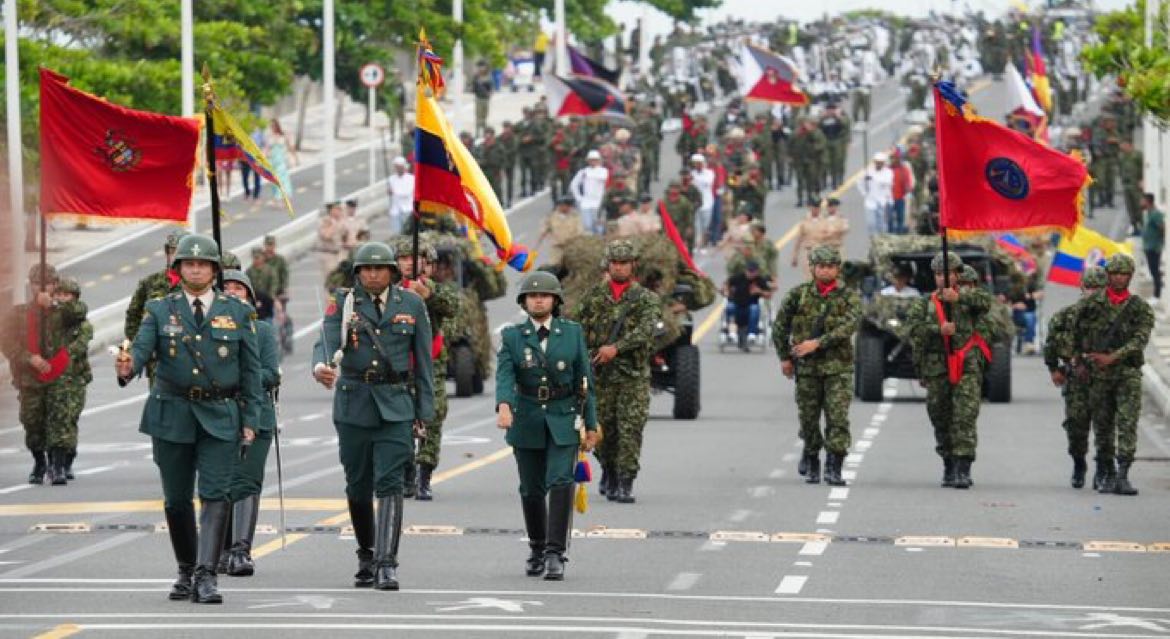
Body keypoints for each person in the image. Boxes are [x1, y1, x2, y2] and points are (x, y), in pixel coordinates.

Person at [114, 234, 263, 604]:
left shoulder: (238, 311)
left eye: (203, 264)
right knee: (177, 500)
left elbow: (251, 371)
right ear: (177, 270)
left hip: (220, 414)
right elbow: (142, 351)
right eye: (188, 264)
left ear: (214, 270)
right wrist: (126, 367)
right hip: (172, 413)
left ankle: (206, 575)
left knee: (216, 494)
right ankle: (185, 569)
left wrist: (251, 418)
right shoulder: (159, 309)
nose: (195, 269)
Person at [311, 242, 435, 590]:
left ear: (393, 273)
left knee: (391, 483)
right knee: (358, 484)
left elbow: (424, 361)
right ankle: (366, 553)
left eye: (380, 268)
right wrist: (320, 366)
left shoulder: (411, 303)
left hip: (395, 404)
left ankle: (386, 563)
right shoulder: (346, 301)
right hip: (354, 403)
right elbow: (324, 339)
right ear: (357, 273)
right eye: (366, 269)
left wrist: (424, 412)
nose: (373, 274)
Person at [496, 271, 598, 580]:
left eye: (545, 295)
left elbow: (585, 381)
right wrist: (504, 406)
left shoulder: (572, 333)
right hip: (526, 418)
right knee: (531, 488)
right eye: (532, 295)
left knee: (561, 481)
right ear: (524, 302)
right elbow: (505, 375)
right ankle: (537, 547)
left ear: (555, 301)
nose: (538, 299)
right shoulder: (513, 336)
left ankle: (556, 552)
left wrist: (591, 424)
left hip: (563, 416)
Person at [571, 240, 661, 504]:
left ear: (634, 265)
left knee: (630, 429)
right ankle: (608, 471)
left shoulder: (645, 299)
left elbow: (647, 329)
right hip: (599, 377)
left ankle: (625, 481)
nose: (620, 268)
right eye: (615, 263)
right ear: (607, 265)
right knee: (600, 430)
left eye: (625, 263)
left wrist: (617, 348)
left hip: (632, 376)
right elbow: (576, 331)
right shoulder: (592, 298)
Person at [772, 246, 860, 486]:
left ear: (837, 269)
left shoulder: (848, 296)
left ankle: (835, 465)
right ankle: (812, 457)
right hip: (807, 369)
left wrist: (818, 343)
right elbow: (780, 326)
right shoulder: (798, 295)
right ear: (812, 268)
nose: (825, 271)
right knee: (809, 418)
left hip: (838, 368)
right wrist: (785, 358)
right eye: (820, 266)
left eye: (830, 266)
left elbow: (849, 327)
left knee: (838, 418)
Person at [907, 252, 992, 490]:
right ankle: (948, 463)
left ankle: (964, 468)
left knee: (964, 416)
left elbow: (986, 303)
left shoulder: (969, 299)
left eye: (947, 273)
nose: (942, 279)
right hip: (937, 369)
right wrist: (938, 329)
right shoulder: (924, 304)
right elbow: (912, 330)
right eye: (937, 274)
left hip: (966, 366)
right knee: (940, 417)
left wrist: (960, 298)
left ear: (957, 274)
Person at [1071, 254, 1154, 495]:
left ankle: (1123, 474)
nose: (1119, 278)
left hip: (1127, 372)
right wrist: (1081, 360)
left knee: (1127, 422)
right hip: (1098, 373)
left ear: (1130, 276)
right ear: (1108, 276)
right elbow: (1076, 332)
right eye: (1115, 273)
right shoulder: (1090, 304)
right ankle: (1105, 471)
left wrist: (1113, 357)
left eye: (1124, 274)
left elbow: (1140, 339)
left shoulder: (1139, 307)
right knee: (1103, 425)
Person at [218, 269, 280, 576]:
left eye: (238, 289)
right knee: (220, 482)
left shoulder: (263, 332)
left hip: (256, 413)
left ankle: (241, 549)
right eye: (226, 288)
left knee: (247, 480)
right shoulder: (208, 331)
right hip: (218, 414)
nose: (231, 292)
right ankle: (219, 548)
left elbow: (271, 373)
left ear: (250, 297)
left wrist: (243, 378)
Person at [390, 236, 460, 501]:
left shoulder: (435, 290)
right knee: (401, 421)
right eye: (405, 258)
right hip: (398, 366)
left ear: (429, 265)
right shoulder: (391, 290)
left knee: (432, 416)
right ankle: (406, 471)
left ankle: (424, 474)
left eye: (418, 259)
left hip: (431, 367)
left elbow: (454, 308)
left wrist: (428, 294)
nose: (411, 263)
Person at [1044, 267, 1106, 489]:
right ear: (1082, 288)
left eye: (1098, 288)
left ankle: (1102, 469)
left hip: (1105, 381)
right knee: (1076, 427)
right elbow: (1051, 343)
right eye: (1090, 288)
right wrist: (1054, 369)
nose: (1094, 293)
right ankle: (1079, 463)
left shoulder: (1113, 317)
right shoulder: (1065, 316)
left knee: (1104, 427)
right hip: (1076, 381)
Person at [46, 277, 93, 483]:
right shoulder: (49, 320)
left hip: (73, 379)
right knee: (56, 421)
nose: (63, 299)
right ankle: (55, 465)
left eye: (67, 295)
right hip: (51, 378)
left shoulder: (82, 323)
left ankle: (67, 460)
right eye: (59, 295)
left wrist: (54, 304)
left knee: (69, 419)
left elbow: (78, 347)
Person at [126, 231, 186, 342]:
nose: (175, 256)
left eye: (180, 252)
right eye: (172, 251)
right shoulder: (150, 282)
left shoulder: (198, 285)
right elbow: (133, 315)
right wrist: (141, 345)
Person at [723, 260, 774, 350]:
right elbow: (727, 283)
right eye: (749, 271)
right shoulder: (738, 277)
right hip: (737, 304)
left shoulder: (760, 280)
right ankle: (732, 332)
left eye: (753, 271)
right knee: (730, 307)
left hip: (751, 306)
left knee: (754, 308)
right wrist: (727, 291)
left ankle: (751, 334)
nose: (750, 273)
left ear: (757, 271)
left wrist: (759, 291)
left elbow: (769, 294)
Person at [537, 196, 586, 265]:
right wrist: (543, 238)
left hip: (571, 248)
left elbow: (580, 232)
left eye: (566, 206)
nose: (563, 207)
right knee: (554, 267)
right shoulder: (551, 216)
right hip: (556, 248)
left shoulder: (575, 217)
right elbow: (544, 229)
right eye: (561, 205)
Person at [569, 150, 608, 235]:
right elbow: (573, 185)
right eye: (591, 160)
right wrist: (579, 198)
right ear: (588, 161)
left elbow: (603, 178)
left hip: (599, 203)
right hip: (586, 203)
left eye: (595, 160)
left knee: (599, 228)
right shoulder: (583, 172)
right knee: (587, 226)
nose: (593, 162)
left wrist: (589, 175)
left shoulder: (603, 171)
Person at [859, 152, 893, 236]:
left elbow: (886, 182)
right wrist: (864, 192)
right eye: (877, 162)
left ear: (884, 163)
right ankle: (872, 241)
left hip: (883, 202)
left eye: (880, 162)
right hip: (870, 201)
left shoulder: (888, 172)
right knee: (870, 224)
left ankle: (882, 241)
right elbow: (859, 182)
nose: (879, 164)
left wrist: (872, 178)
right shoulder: (868, 171)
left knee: (882, 225)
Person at [265, 119, 296, 206]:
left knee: (281, 179)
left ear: (277, 126)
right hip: (272, 161)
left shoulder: (284, 136)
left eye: (273, 126)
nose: (272, 128)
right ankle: (277, 197)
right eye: (271, 126)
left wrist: (295, 158)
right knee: (274, 180)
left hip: (282, 161)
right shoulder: (270, 137)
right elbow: (266, 149)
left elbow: (290, 147)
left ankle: (279, 199)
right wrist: (262, 159)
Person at [690, 154, 716, 251]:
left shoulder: (710, 173)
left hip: (707, 203)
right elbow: (692, 184)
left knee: (705, 226)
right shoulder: (692, 173)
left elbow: (707, 182)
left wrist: (695, 180)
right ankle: (696, 245)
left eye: (699, 163)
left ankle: (704, 245)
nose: (697, 165)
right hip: (696, 203)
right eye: (695, 164)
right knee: (696, 226)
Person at [1141, 193, 1164, 300]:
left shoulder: (1155, 214)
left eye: (1143, 200)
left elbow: (1162, 227)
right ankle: (1158, 288)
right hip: (1149, 247)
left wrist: (1158, 241)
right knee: (1153, 270)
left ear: (1148, 201)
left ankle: (1157, 295)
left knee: (1155, 271)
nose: (1141, 202)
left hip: (1154, 247)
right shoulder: (1149, 213)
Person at [317, 202, 346, 283]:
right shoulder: (325, 221)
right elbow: (326, 235)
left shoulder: (341, 220)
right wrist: (334, 224)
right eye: (338, 209)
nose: (340, 211)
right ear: (331, 210)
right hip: (329, 255)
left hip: (340, 254)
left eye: (341, 209)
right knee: (331, 282)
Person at [387, 157, 415, 234]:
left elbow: (407, 193)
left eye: (400, 167)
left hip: (407, 210)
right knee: (397, 233)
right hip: (395, 211)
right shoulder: (391, 179)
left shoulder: (411, 179)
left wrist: (394, 192)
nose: (398, 169)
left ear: (404, 167)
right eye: (396, 167)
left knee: (407, 233)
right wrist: (390, 192)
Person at [472, 62, 493, 138]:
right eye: (480, 67)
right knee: (478, 117)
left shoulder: (488, 77)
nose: (482, 69)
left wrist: (490, 93)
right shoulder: (476, 77)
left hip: (486, 99)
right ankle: (477, 133)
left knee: (484, 116)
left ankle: (484, 132)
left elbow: (491, 87)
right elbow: (473, 88)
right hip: (479, 99)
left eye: (483, 67)